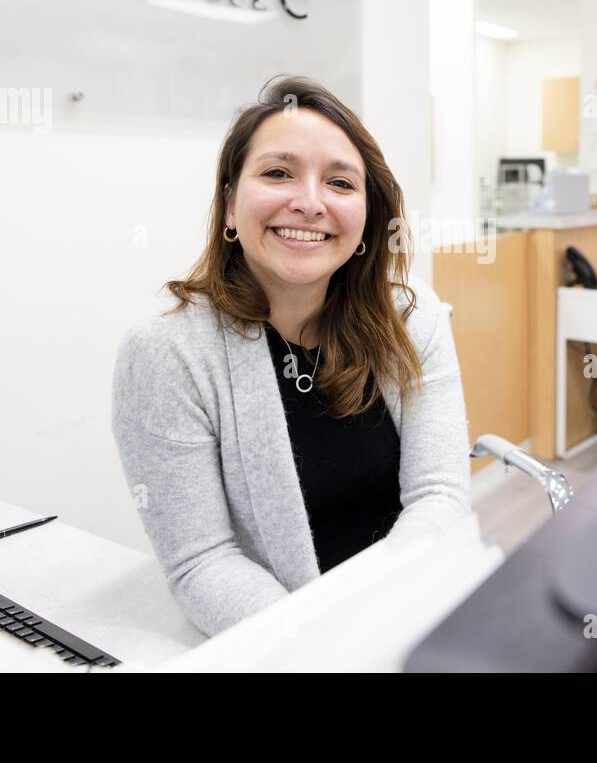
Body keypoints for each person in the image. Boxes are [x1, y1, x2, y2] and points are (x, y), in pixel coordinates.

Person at [111, 75, 472, 637]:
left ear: (369, 217)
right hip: (284, 644)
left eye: (340, 182)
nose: (309, 202)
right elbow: (201, 560)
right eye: (278, 173)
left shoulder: (411, 313)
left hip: (409, 614)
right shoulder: (166, 350)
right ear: (230, 205)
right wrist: (327, 642)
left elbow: (439, 493)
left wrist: (389, 613)